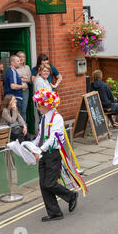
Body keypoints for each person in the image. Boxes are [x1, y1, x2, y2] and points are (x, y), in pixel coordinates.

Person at [32, 89, 78, 222]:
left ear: (46, 105)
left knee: (50, 183)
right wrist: (31, 146)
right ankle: (55, 212)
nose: (38, 107)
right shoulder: (43, 118)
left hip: (52, 154)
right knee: (43, 184)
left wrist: (40, 149)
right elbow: (40, 136)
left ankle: (71, 196)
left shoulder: (57, 118)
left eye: (39, 105)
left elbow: (53, 138)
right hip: (43, 154)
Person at [16, 51, 32, 122]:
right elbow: (15, 80)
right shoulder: (15, 68)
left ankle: (24, 128)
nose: (22, 58)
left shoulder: (27, 68)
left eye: (23, 57)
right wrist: (23, 78)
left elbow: (30, 80)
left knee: (23, 110)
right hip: (17, 90)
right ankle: (18, 129)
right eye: (20, 57)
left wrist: (21, 78)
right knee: (17, 110)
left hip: (25, 91)